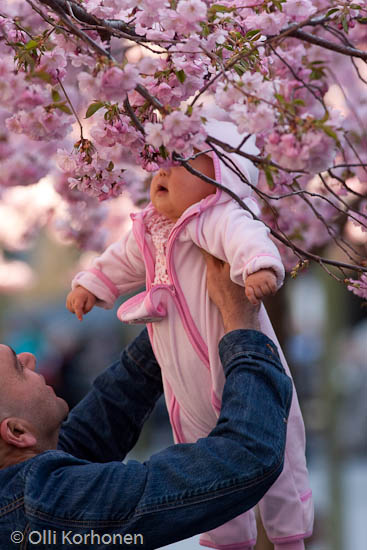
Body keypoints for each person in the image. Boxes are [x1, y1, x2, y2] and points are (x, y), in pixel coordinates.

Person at [66, 121, 313, 550]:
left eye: (180, 161)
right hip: (183, 382)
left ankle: (289, 535)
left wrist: (258, 267)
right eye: (160, 161)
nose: (162, 171)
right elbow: (121, 260)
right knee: (203, 458)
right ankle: (226, 538)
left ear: (220, 175)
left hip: (239, 361)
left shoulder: (218, 218)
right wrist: (92, 283)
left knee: (280, 447)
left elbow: (248, 238)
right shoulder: (148, 228)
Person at [0, 255, 292, 549]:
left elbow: (108, 412)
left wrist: (182, 306)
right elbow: (246, 457)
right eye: (17, 367)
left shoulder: (23, 487)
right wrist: (241, 323)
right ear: (17, 432)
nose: (29, 357)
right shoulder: (45, 505)